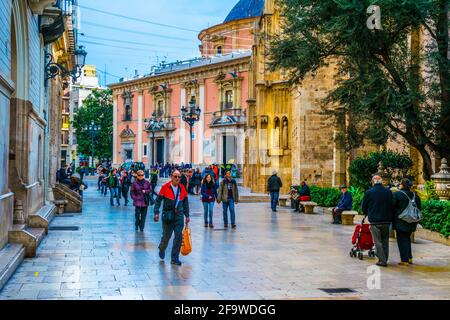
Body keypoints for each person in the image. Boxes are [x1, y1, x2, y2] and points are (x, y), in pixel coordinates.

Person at [154, 170, 190, 266]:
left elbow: (185, 203)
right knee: (167, 236)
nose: (177, 178)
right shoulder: (165, 187)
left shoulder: (182, 188)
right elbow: (158, 201)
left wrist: (187, 215)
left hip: (179, 216)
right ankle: (162, 248)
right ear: (171, 177)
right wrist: (156, 212)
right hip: (168, 216)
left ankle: (174, 258)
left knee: (178, 237)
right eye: (175, 176)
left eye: (179, 177)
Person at [362, 175, 394, 267]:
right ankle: (385, 258)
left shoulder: (369, 192)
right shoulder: (388, 192)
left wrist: (366, 213)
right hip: (386, 220)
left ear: (373, 182)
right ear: (381, 181)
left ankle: (382, 260)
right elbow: (392, 205)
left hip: (375, 221)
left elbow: (364, 207)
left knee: (378, 242)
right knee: (385, 241)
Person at [392, 178, 421, 266]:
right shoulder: (415, 195)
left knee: (401, 239)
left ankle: (404, 260)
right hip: (412, 221)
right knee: (407, 238)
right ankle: (409, 257)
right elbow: (419, 208)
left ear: (402, 185)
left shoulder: (397, 194)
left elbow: (392, 207)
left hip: (401, 221)